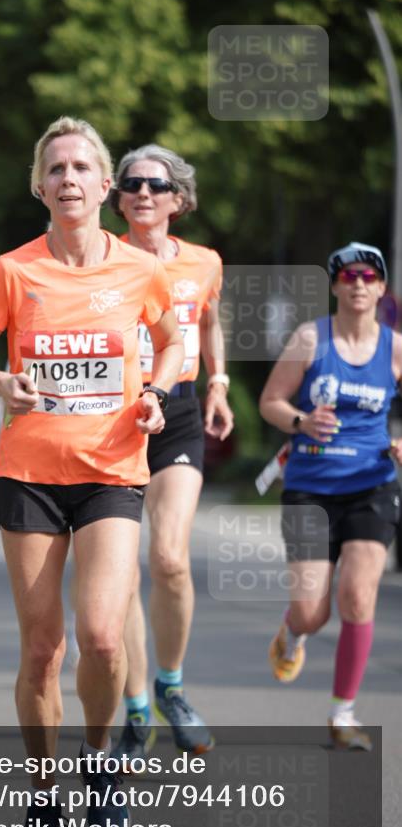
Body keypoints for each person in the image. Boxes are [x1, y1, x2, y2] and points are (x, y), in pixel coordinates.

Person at [0, 116, 184, 827]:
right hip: (29, 475)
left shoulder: (139, 270)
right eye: (56, 169)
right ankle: (44, 795)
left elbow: (173, 343)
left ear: (104, 184)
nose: (70, 179)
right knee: (42, 650)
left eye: (82, 167)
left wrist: (157, 393)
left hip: (112, 471)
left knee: (103, 638)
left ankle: (101, 766)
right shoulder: (13, 271)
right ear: (38, 186)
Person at [109, 144, 234, 764]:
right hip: (114, 420)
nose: (142, 193)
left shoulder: (204, 262)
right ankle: (135, 708)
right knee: (122, 571)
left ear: (177, 200)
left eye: (156, 185)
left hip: (179, 412)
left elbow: (208, 320)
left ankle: (172, 686)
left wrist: (218, 381)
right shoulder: (102, 260)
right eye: (130, 183)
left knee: (171, 559)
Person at [260, 242, 402, 750]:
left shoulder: (395, 347)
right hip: (309, 488)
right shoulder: (310, 339)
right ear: (336, 286)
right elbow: (270, 402)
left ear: (382, 287)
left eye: (368, 275)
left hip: (372, 485)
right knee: (313, 612)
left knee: (358, 597)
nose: (358, 283)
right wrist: (302, 421)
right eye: (348, 276)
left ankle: (343, 714)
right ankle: (293, 632)